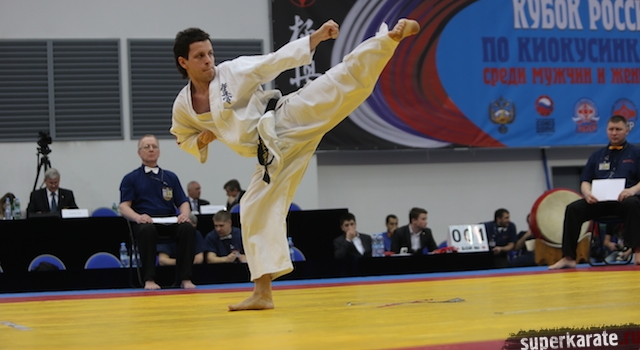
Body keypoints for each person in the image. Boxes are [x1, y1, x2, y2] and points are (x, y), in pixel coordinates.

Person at [171, 17, 420, 310]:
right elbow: (183, 138)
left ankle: (388, 39)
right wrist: (203, 139)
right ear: (184, 62)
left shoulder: (231, 72)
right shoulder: (183, 106)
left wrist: (315, 37)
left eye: (210, 53)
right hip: (271, 155)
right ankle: (262, 293)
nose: (208, 60)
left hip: (283, 120)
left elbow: (273, 61)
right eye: (200, 56)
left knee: (335, 84)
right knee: (252, 208)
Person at [550, 115, 640, 269]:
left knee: (634, 204)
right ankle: (568, 257)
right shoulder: (597, 155)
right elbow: (585, 180)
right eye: (611, 129)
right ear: (606, 131)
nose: (614, 133)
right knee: (573, 209)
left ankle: (637, 252)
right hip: (599, 202)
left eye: (618, 129)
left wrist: (632, 190)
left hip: (624, 202)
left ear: (627, 130)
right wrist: (587, 193)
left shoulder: (636, 153)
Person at [118, 135, 197, 290]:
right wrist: (138, 217)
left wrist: (184, 215)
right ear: (139, 153)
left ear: (159, 152)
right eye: (146, 147)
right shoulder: (130, 178)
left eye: (154, 146)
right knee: (147, 230)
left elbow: (183, 202)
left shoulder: (170, 177)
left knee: (187, 228)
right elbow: (123, 207)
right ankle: (149, 279)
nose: (151, 150)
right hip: (145, 222)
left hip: (169, 221)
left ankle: (185, 278)